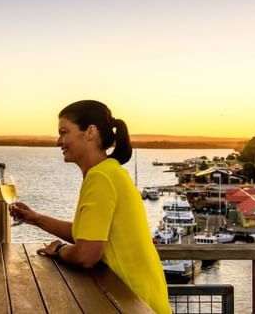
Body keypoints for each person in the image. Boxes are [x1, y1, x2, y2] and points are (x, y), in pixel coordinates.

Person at [11, 100, 171, 314]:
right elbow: (87, 234)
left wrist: (59, 250)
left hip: (135, 302)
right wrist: (35, 218)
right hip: (136, 300)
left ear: (90, 132)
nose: (59, 141)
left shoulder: (100, 178)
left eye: (64, 132)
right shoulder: (109, 171)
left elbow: (86, 255)